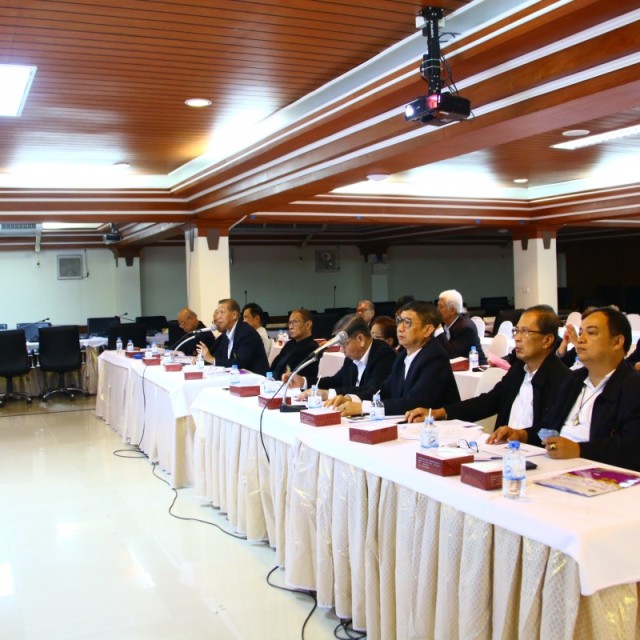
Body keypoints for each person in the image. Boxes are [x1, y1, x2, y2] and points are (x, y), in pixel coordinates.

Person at [488, 307, 640, 471]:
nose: (581, 339)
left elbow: (631, 447)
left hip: (601, 474)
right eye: (580, 333)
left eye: (591, 333)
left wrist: (579, 450)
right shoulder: (574, 380)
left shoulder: (632, 386)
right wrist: (522, 434)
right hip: (557, 466)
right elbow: (548, 426)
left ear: (617, 342)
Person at [405, 305, 571, 430]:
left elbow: (550, 430)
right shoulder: (519, 370)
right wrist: (439, 412)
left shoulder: (562, 380)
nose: (517, 338)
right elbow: (488, 402)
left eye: (525, 332)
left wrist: (521, 436)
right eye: (516, 331)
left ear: (547, 340)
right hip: (506, 451)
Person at [329, 301, 460, 416]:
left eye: (407, 323)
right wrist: (352, 399)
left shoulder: (435, 357)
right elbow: (385, 390)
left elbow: (414, 403)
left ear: (427, 330)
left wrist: (363, 407)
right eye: (399, 321)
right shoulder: (402, 355)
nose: (400, 328)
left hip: (440, 429)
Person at [297, 316, 396, 401]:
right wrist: (303, 381)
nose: (341, 350)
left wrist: (329, 394)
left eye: (344, 344)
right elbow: (336, 381)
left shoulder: (384, 355)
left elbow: (373, 390)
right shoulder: (351, 357)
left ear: (360, 339)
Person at [199, 298, 269, 375]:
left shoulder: (247, 333)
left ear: (234, 315)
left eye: (222, 312)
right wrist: (203, 358)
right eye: (218, 313)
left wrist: (211, 359)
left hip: (255, 378)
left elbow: (240, 363)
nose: (218, 316)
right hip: (235, 377)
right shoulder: (226, 334)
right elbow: (219, 356)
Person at [436, 289, 487, 365]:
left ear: (452, 310)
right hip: (457, 367)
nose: (437, 310)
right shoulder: (445, 324)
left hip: (476, 368)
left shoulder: (466, 328)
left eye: (441, 306)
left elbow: (452, 355)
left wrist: (438, 330)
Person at [270, 308, 319, 387]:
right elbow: (275, 365)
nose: (290, 327)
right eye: (290, 323)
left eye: (295, 322)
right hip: (273, 384)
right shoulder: (289, 344)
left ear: (308, 324)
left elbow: (300, 375)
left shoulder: (312, 348)